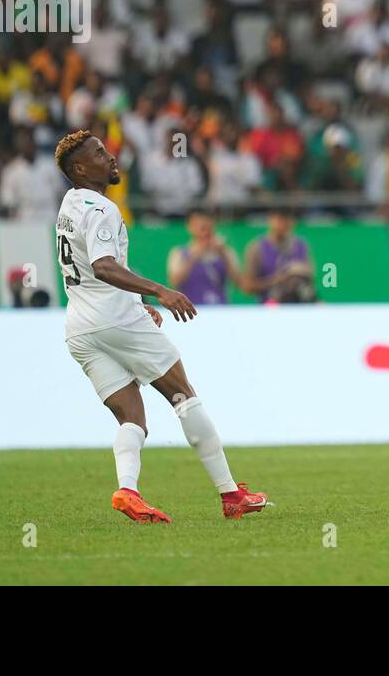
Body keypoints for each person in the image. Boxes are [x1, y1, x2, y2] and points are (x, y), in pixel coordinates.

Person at [52, 129, 271, 523]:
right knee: (183, 395)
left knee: (131, 417)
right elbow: (103, 266)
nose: (111, 157)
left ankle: (128, 491)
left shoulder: (70, 204)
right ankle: (230, 494)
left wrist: (138, 300)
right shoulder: (102, 210)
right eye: (100, 154)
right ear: (81, 168)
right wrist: (160, 292)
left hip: (80, 327)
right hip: (114, 319)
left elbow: (93, 266)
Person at [167, 209, 240, 305]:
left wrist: (223, 254)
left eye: (208, 227)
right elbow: (174, 282)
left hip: (220, 309)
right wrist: (193, 256)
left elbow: (238, 282)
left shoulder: (225, 251)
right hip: (191, 309)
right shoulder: (179, 253)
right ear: (190, 227)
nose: (205, 232)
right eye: (201, 228)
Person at [242, 208, 316, 303]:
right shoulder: (257, 248)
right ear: (271, 220)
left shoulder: (301, 246)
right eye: (279, 219)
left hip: (298, 306)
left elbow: (311, 279)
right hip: (270, 306)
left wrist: (298, 273)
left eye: (287, 220)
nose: (283, 224)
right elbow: (247, 287)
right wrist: (276, 280)